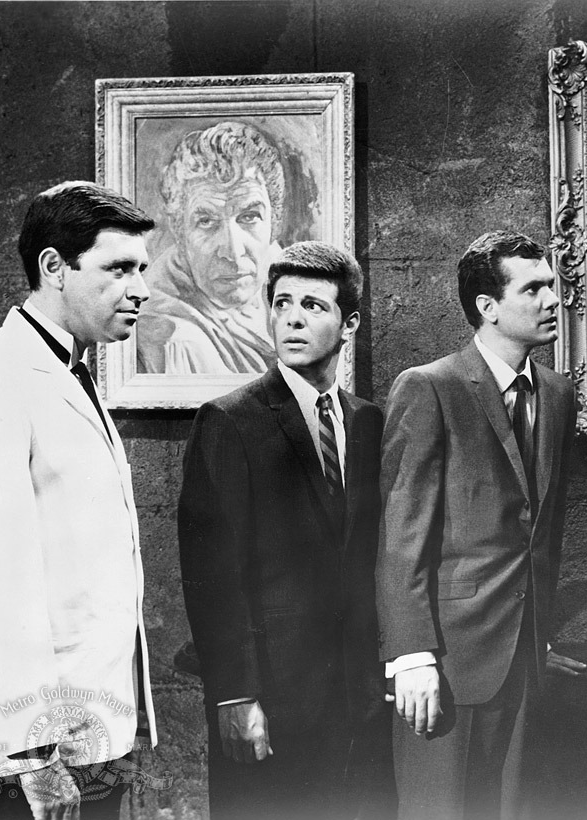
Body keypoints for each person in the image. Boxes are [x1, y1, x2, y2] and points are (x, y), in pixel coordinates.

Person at [0, 181, 158, 819]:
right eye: (119, 268)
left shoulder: (71, 369)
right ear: (53, 267)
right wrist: (34, 757)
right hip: (29, 752)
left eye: (142, 269)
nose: (141, 289)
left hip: (90, 726)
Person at [377, 230, 585, 820]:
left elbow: (544, 528)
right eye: (533, 289)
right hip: (445, 661)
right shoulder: (430, 388)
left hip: (523, 657)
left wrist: (540, 633)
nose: (553, 299)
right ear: (487, 307)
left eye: (552, 285)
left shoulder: (557, 393)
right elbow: (400, 537)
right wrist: (411, 656)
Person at [179, 241, 388, 819]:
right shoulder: (229, 421)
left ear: (349, 324)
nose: (292, 319)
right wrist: (234, 695)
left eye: (313, 306)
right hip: (270, 699)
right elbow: (211, 574)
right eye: (282, 303)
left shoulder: (368, 421)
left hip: (359, 698)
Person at [137, 120, 316, 375]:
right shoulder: (175, 340)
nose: (233, 252)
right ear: (180, 232)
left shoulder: (284, 273)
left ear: (273, 222)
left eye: (249, 216)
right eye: (206, 221)